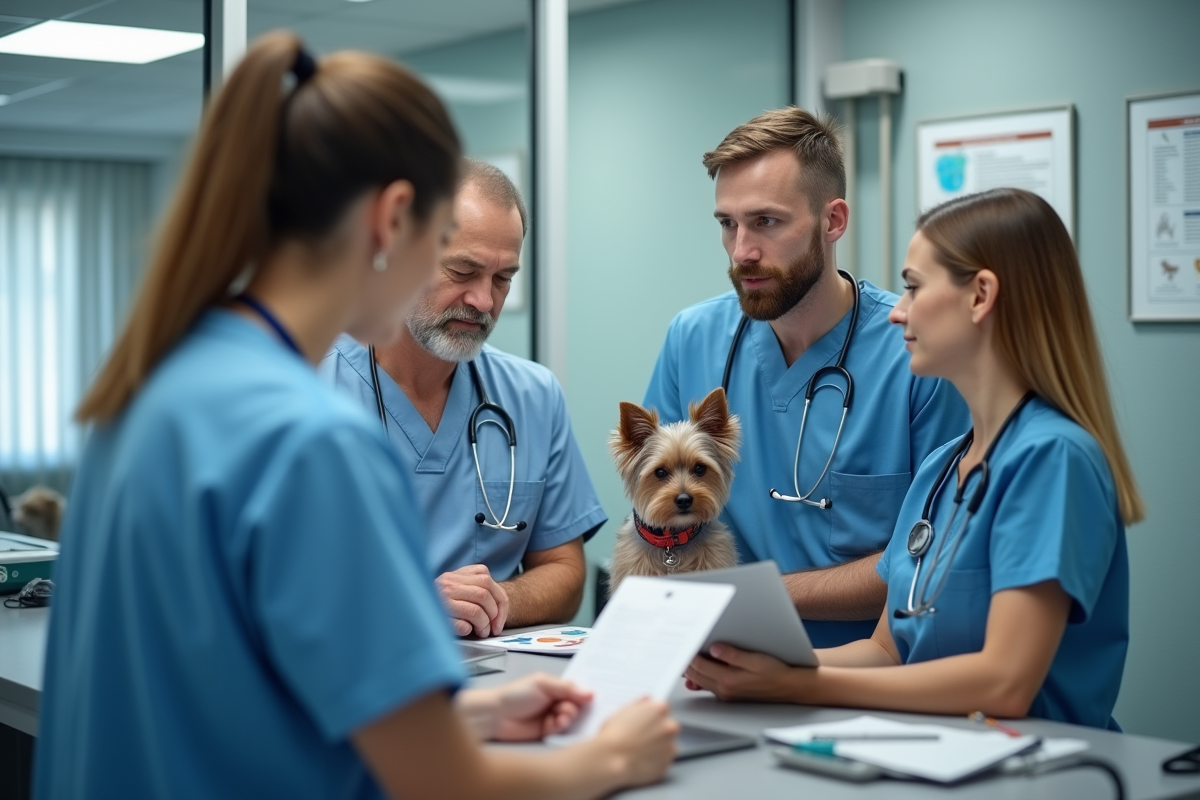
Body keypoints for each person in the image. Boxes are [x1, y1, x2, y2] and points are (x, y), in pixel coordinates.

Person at [34, 33, 677, 800]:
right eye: (452, 259)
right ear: (395, 218)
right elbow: (441, 784)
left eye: (501, 277)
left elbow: (237, 694)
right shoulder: (311, 441)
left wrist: (467, 712)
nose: (481, 298)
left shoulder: (151, 386)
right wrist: (611, 757)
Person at [683, 188, 1143, 730]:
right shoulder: (946, 465)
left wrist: (797, 683)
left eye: (914, 288)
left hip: (1041, 772)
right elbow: (886, 652)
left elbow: (1006, 682)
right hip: (931, 761)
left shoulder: (1053, 458)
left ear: (980, 296)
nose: (897, 313)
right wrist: (749, 667)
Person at [643, 107, 969, 647]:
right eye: (728, 224)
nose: (742, 251)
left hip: (867, 678)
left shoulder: (916, 356)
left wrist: (753, 594)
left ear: (833, 220)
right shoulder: (692, 338)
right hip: (719, 663)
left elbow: (933, 562)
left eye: (766, 222)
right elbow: (658, 516)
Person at [321, 160, 602, 638]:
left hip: (498, 683)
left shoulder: (531, 396)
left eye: (502, 278)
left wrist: (493, 602)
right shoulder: (305, 387)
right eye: (463, 270)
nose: (484, 302)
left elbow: (565, 571)